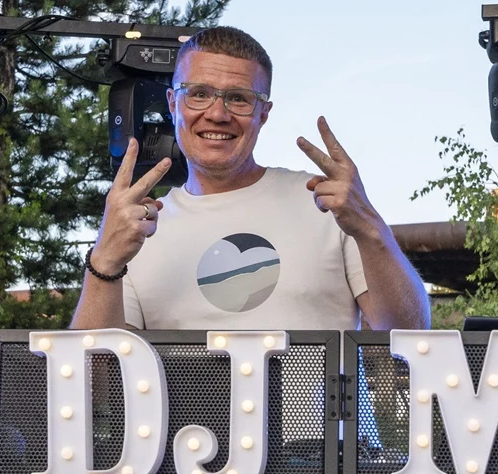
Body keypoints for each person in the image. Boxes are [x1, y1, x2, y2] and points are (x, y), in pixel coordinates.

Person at [70, 25, 430, 333]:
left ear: (264, 113)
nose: (217, 113)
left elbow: (408, 334)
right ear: (173, 103)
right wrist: (104, 260)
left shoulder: (327, 205)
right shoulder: (137, 231)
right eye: (199, 94)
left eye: (239, 99)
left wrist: (370, 228)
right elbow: (96, 379)